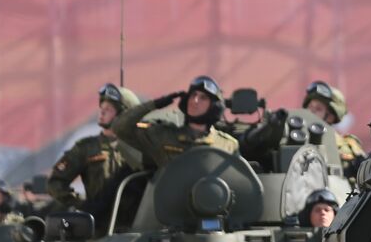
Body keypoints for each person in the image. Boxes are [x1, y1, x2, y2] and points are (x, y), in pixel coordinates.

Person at [47, 84, 144, 211]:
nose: (102, 112)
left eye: (108, 109)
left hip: (138, 226)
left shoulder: (142, 147)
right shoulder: (87, 148)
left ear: (124, 115)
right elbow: (55, 183)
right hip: (101, 226)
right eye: (102, 107)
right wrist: (82, 205)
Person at [111, 75, 239, 169]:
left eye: (203, 98)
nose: (194, 101)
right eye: (193, 95)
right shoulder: (163, 136)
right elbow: (119, 127)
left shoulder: (228, 145)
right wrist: (155, 104)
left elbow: (237, 180)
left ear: (214, 106)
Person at [303, 81, 367, 177]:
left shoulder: (348, 147)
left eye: (318, 109)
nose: (311, 112)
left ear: (330, 117)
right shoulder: (295, 139)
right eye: (310, 107)